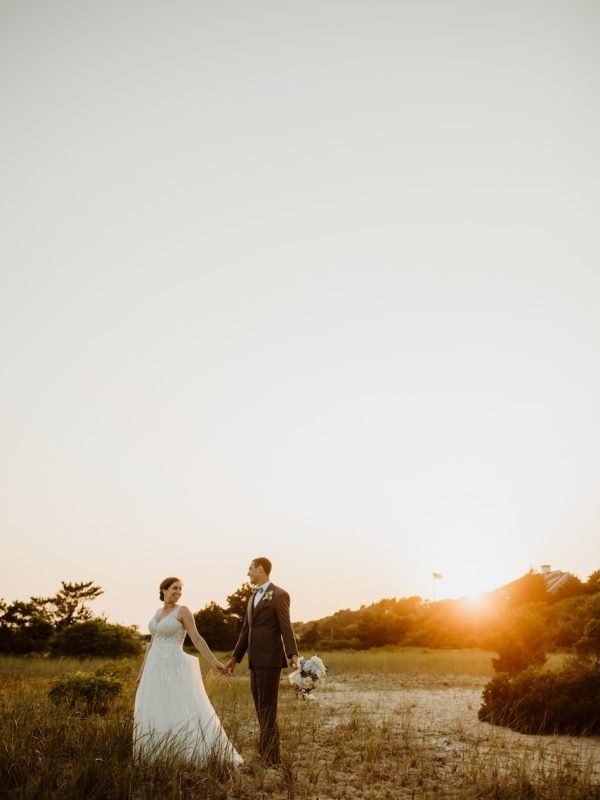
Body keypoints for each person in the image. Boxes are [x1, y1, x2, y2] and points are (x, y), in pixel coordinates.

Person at [134, 576, 242, 765]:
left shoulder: (182, 611)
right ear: (164, 590)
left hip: (173, 666)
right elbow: (151, 645)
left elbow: (197, 639)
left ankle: (185, 753)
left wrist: (215, 663)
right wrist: (141, 673)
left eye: (180, 589)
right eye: (174, 588)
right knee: (156, 706)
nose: (177, 592)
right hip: (153, 668)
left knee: (177, 706)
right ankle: (158, 753)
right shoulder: (157, 612)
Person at [225, 558, 299, 766]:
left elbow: (286, 626)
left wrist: (293, 654)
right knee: (260, 708)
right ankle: (269, 755)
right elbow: (246, 630)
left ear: (260, 569)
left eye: (250, 569)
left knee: (268, 709)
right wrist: (234, 658)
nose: (248, 573)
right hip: (254, 661)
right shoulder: (252, 598)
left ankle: (269, 758)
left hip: (270, 659)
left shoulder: (279, 594)